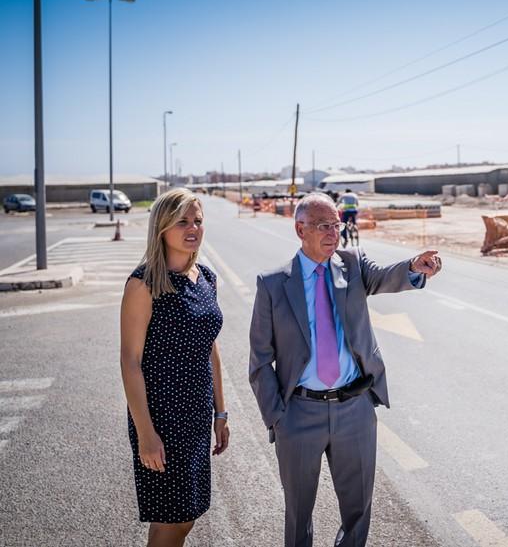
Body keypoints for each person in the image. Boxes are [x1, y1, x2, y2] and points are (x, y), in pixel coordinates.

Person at [248, 193, 441, 547]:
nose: (333, 233)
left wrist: (414, 266)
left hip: (354, 409)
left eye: (337, 225)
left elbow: (386, 276)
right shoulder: (273, 284)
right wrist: (278, 417)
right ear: (300, 229)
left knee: (358, 512)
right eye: (324, 226)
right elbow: (260, 359)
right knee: (298, 515)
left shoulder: (352, 265)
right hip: (298, 414)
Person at [120, 188, 229, 546]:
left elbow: (210, 347)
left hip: (196, 414)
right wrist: (146, 434)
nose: (192, 228)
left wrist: (220, 413)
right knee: (174, 518)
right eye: (182, 221)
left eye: (197, 220)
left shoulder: (206, 279)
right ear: (162, 227)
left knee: (185, 516)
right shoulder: (144, 284)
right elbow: (130, 361)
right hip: (161, 417)